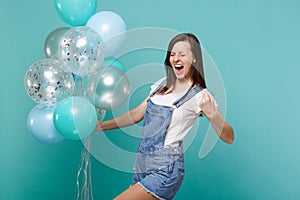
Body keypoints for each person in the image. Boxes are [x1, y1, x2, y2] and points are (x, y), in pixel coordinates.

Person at [94, 33, 234, 200]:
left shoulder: (200, 95)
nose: (176, 59)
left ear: (194, 58)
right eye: (172, 54)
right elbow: (136, 114)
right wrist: (102, 126)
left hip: (166, 170)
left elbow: (229, 137)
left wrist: (212, 114)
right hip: (142, 165)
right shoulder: (160, 85)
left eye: (182, 54)